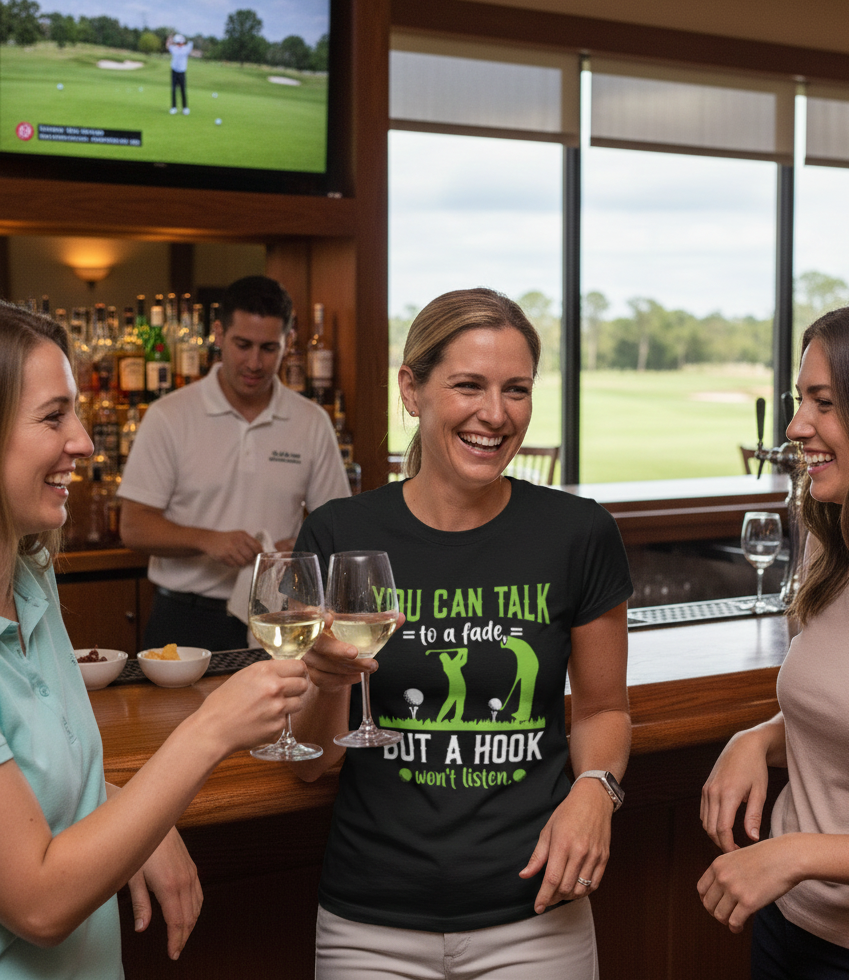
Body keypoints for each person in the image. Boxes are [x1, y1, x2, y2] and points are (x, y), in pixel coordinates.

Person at [290, 287, 633, 979]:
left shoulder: (579, 532)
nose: (496, 415)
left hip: (539, 909)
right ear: (411, 391)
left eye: (517, 390)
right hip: (370, 922)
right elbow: (310, 762)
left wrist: (595, 789)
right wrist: (328, 679)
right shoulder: (338, 533)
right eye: (469, 386)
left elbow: (602, 709)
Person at [0, 301, 310, 978]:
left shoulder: (32, 581)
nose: (82, 440)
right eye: (55, 417)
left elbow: (38, 780)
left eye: (78, 413)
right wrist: (208, 729)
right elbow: (41, 904)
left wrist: (132, 811)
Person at [698, 297, 849, 979]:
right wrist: (756, 736)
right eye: (797, 399)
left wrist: (795, 851)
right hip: (790, 923)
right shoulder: (830, 537)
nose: (794, 425)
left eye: (823, 403)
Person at [119, 275, 349, 652]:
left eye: (269, 348)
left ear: (288, 343)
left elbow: (336, 522)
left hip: (278, 616)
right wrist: (207, 541)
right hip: (185, 617)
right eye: (243, 345)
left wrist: (300, 545)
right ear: (218, 334)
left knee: (281, 714)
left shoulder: (311, 421)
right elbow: (133, 526)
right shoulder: (169, 415)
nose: (254, 362)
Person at [166, 34, 193, 115]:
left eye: (180, 42)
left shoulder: (186, 49)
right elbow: (168, 46)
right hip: (174, 71)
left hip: (182, 72)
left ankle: (185, 108)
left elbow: (190, 44)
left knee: (182, 90)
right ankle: (173, 107)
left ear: (183, 42)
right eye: (178, 43)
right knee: (174, 90)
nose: (179, 44)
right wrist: (169, 39)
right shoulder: (174, 49)